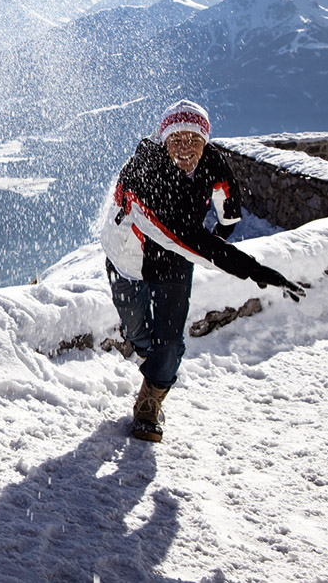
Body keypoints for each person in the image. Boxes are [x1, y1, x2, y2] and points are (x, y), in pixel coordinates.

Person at [100, 99, 305, 443]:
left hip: (175, 260)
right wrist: (251, 268)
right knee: (139, 334)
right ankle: (155, 355)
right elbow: (183, 236)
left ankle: (149, 405)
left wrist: (223, 231)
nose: (184, 149)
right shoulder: (143, 173)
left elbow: (228, 202)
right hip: (128, 260)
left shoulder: (210, 160)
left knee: (168, 342)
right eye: (176, 141)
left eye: (193, 141)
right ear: (163, 140)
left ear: (204, 142)